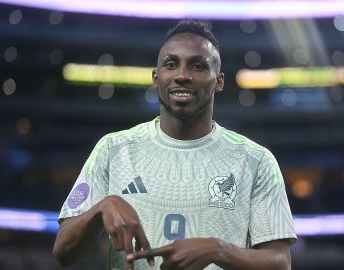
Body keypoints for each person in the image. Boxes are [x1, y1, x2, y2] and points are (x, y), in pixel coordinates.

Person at [53, 20, 297, 270]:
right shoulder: (113, 149)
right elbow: (64, 253)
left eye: (198, 66)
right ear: (156, 78)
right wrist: (100, 211)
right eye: (171, 65)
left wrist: (218, 249)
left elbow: (280, 263)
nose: (182, 75)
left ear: (219, 81)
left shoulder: (256, 160)